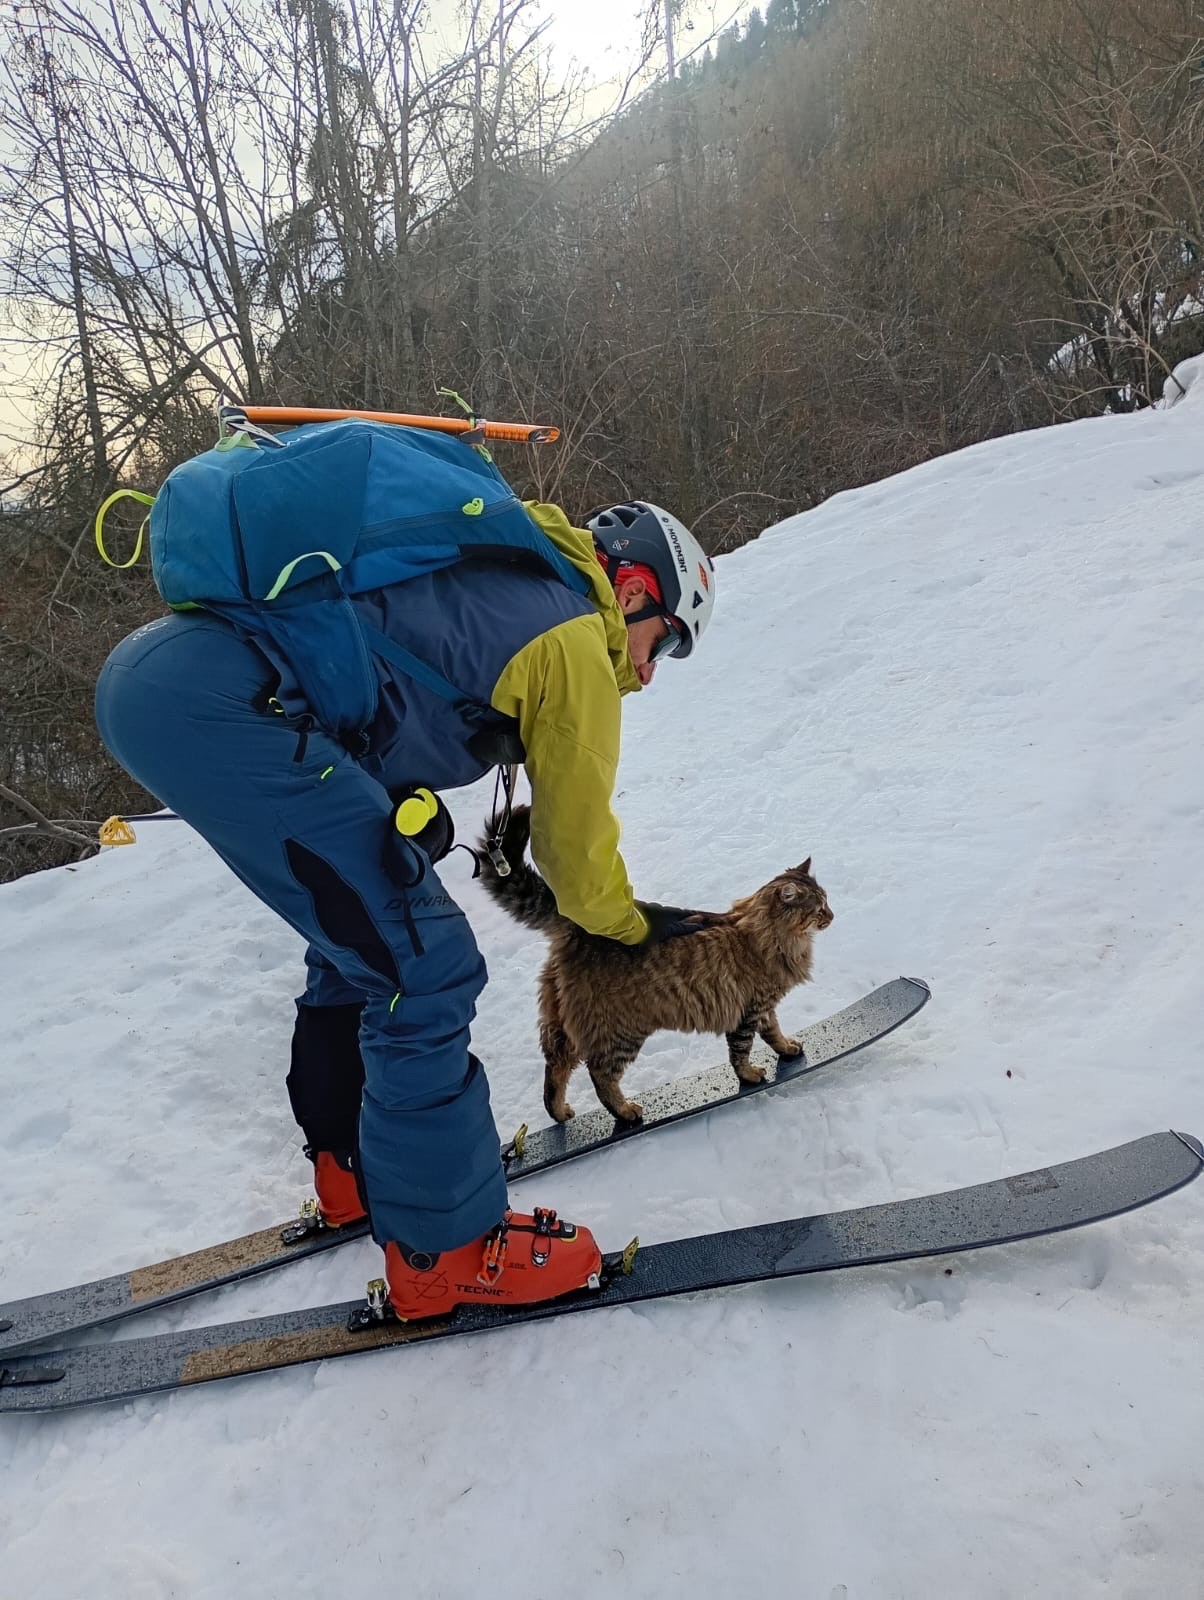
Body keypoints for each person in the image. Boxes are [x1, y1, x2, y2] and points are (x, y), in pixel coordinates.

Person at [95, 488, 716, 1320]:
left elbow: (374, 679)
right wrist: (636, 927)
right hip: (227, 705)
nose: (649, 669)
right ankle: (445, 1253)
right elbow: (575, 856)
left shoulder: (502, 573)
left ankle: (351, 1172)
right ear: (634, 590)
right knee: (426, 967)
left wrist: (393, 808)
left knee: (366, 943)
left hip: (164, 678)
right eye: (665, 642)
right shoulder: (574, 632)